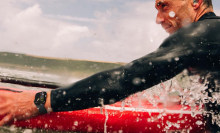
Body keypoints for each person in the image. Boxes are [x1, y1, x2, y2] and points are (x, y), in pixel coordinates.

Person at [0, 0, 219, 131]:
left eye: (164, 6)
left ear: (196, 1)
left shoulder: (201, 34)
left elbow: (125, 80)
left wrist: (39, 101)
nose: (158, 18)